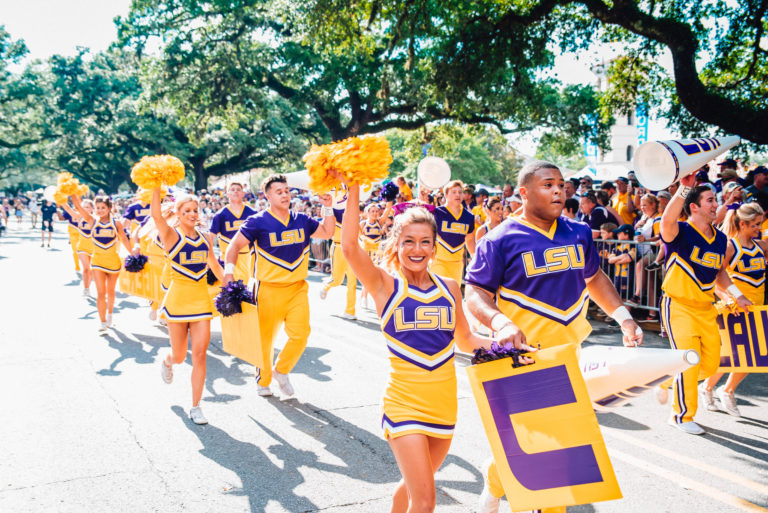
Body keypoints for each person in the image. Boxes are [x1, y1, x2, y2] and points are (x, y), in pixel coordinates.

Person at [464, 160, 643, 513]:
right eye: (548, 184)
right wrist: (501, 323)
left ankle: (500, 484)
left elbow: (594, 279)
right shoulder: (500, 238)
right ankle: (498, 483)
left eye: (561, 184)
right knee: (531, 440)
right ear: (524, 192)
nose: (559, 190)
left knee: (557, 445)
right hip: (520, 358)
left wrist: (624, 318)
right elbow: (475, 293)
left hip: (568, 357)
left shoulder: (578, 232)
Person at [339, 180, 499, 513]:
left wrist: (508, 346)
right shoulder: (385, 285)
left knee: (412, 488)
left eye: (425, 242)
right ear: (396, 244)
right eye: (409, 241)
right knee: (425, 500)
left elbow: (466, 340)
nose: (417, 249)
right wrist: (353, 191)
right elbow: (351, 248)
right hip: (404, 404)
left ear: (435, 247)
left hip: (444, 404)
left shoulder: (450, 287)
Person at [224, 174, 335, 397]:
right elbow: (233, 246)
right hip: (268, 290)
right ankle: (263, 379)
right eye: (279, 191)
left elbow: (327, 232)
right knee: (265, 341)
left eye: (286, 190)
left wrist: (329, 208)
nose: (285, 194)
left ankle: (281, 370)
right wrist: (228, 272)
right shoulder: (257, 222)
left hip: (297, 288)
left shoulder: (301, 219)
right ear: (267, 196)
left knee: (301, 334)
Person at [656, 174, 751, 435]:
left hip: (706, 308)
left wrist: (735, 293)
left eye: (715, 200)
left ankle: (667, 381)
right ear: (694, 207)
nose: (715, 204)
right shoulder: (680, 231)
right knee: (688, 362)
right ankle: (681, 416)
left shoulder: (721, 240)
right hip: (678, 307)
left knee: (709, 365)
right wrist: (684, 189)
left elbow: (720, 272)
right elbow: (666, 219)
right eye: (710, 200)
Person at [152, 188, 223, 425]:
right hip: (177, 303)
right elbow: (156, 216)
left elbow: (215, 266)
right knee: (180, 356)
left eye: (195, 210)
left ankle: (196, 406)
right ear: (178, 214)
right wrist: (155, 185)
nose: (192, 214)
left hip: (201, 302)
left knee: (200, 355)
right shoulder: (171, 236)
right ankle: (167, 361)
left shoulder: (205, 238)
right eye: (187, 211)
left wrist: (233, 288)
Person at [702, 203, 766, 417]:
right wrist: (729, 298)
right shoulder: (730, 246)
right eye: (756, 224)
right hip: (734, 309)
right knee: (730, 356)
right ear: (743, 224)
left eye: (761, 223)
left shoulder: (761, 246)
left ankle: (727, 390)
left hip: (756, 308)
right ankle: (708, 387)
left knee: (754, 358)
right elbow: (717, 278)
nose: (760, 227)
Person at [72, 194, 134, 331]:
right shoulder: (92, 221)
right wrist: (71, 191)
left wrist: (133, 253)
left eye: (103, 207)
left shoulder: (116, 223)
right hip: (97, 262)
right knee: (100, 293)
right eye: (98, 208)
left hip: (113, 262)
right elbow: (77, 207)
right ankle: (102, 321)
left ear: (109, 208)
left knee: (111, 292)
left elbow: (124, 239)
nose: (100, 210)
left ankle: (110, 314)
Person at [320, 188, 359, 320]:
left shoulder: (352, 213)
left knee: (352, 282)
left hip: (352, 249)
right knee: (337, 280)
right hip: (338, 248)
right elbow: (323, 214)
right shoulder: (332, 214)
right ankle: (327, 286)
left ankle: (350, 311)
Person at [209, 182, 257, 283]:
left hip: (249, 259)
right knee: (232, 293)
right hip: (228, 261)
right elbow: (211, 238)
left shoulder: (253, 213)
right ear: (227, 194)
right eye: (232, 189)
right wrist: (210, 260)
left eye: (238, 189)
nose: (235, 191)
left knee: (250, 293)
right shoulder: (220, 215)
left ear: (243, 193)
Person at [430, 180, 476, 284]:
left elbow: (469, 239)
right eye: (454, 192)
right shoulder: (437, 213)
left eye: (460, 192)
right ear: (446, 195)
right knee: (439, 294)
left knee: (453, 297)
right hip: (438, 261)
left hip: (457, 263)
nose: (458, 195)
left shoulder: (469, 216)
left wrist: (474, 257)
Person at [61, 201, 94, 296]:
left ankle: (95, 286)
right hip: (82, 247)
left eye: (88, 207)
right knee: (86, 268)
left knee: (93, 269)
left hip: (94, 248)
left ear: (92, 208)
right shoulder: (79, 217)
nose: (85, 209)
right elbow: (68, 209)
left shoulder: (96, 218)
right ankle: (86, 288)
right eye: (83, 207)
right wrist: (60, 199)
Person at [359, 203, 384, 309]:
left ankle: (366, 296)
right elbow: (358, 236)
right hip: (366, 253)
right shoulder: (363, 224)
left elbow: (388, 208)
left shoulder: (380, 222)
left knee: (375, 277)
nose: (375, 213)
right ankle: (364, 297)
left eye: (376, 211)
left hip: (377, 254)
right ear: (367, 213)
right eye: (372, 211)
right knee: (367, 276)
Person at [59, 203, 82, 272]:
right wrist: (58, 209)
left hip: (85, 235)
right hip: (73, 235)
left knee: (87, 251)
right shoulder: (70, 210)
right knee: (75, 251)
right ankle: (77, 266)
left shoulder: (85, 210)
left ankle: (88, 267)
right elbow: (61, 218)